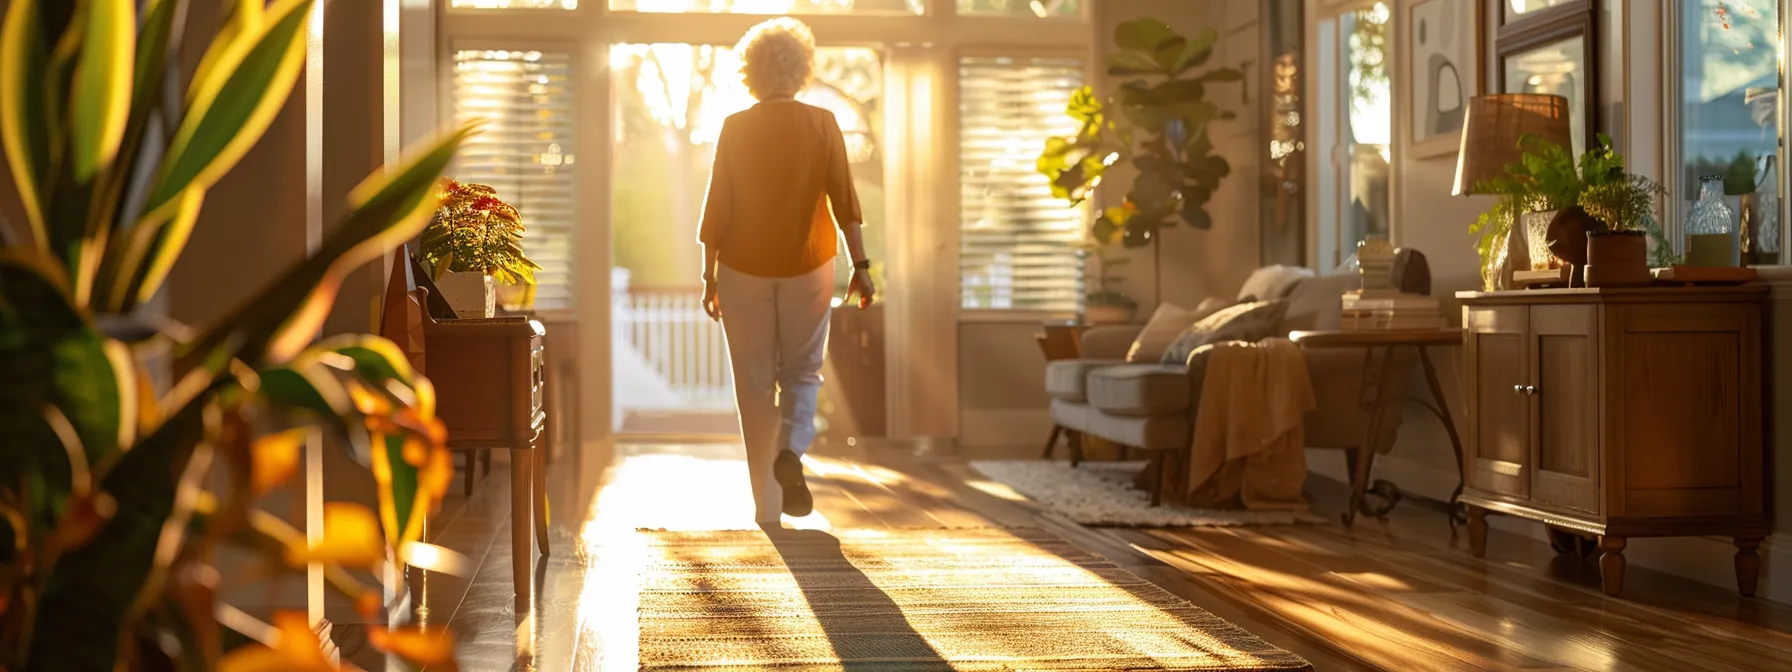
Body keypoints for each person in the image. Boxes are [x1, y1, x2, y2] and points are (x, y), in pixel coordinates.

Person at [698, 17, 874, 524]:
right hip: (808, 265)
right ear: (801, 69)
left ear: (749, 71)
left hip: (741, 270)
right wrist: (860, 267)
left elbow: (717, 212)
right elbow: (847, 202)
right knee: (802, 372)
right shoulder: (822, 123)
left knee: (753, 385)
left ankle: (766, 510)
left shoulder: (734, 126)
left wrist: (708, 277)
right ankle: (791, 453)